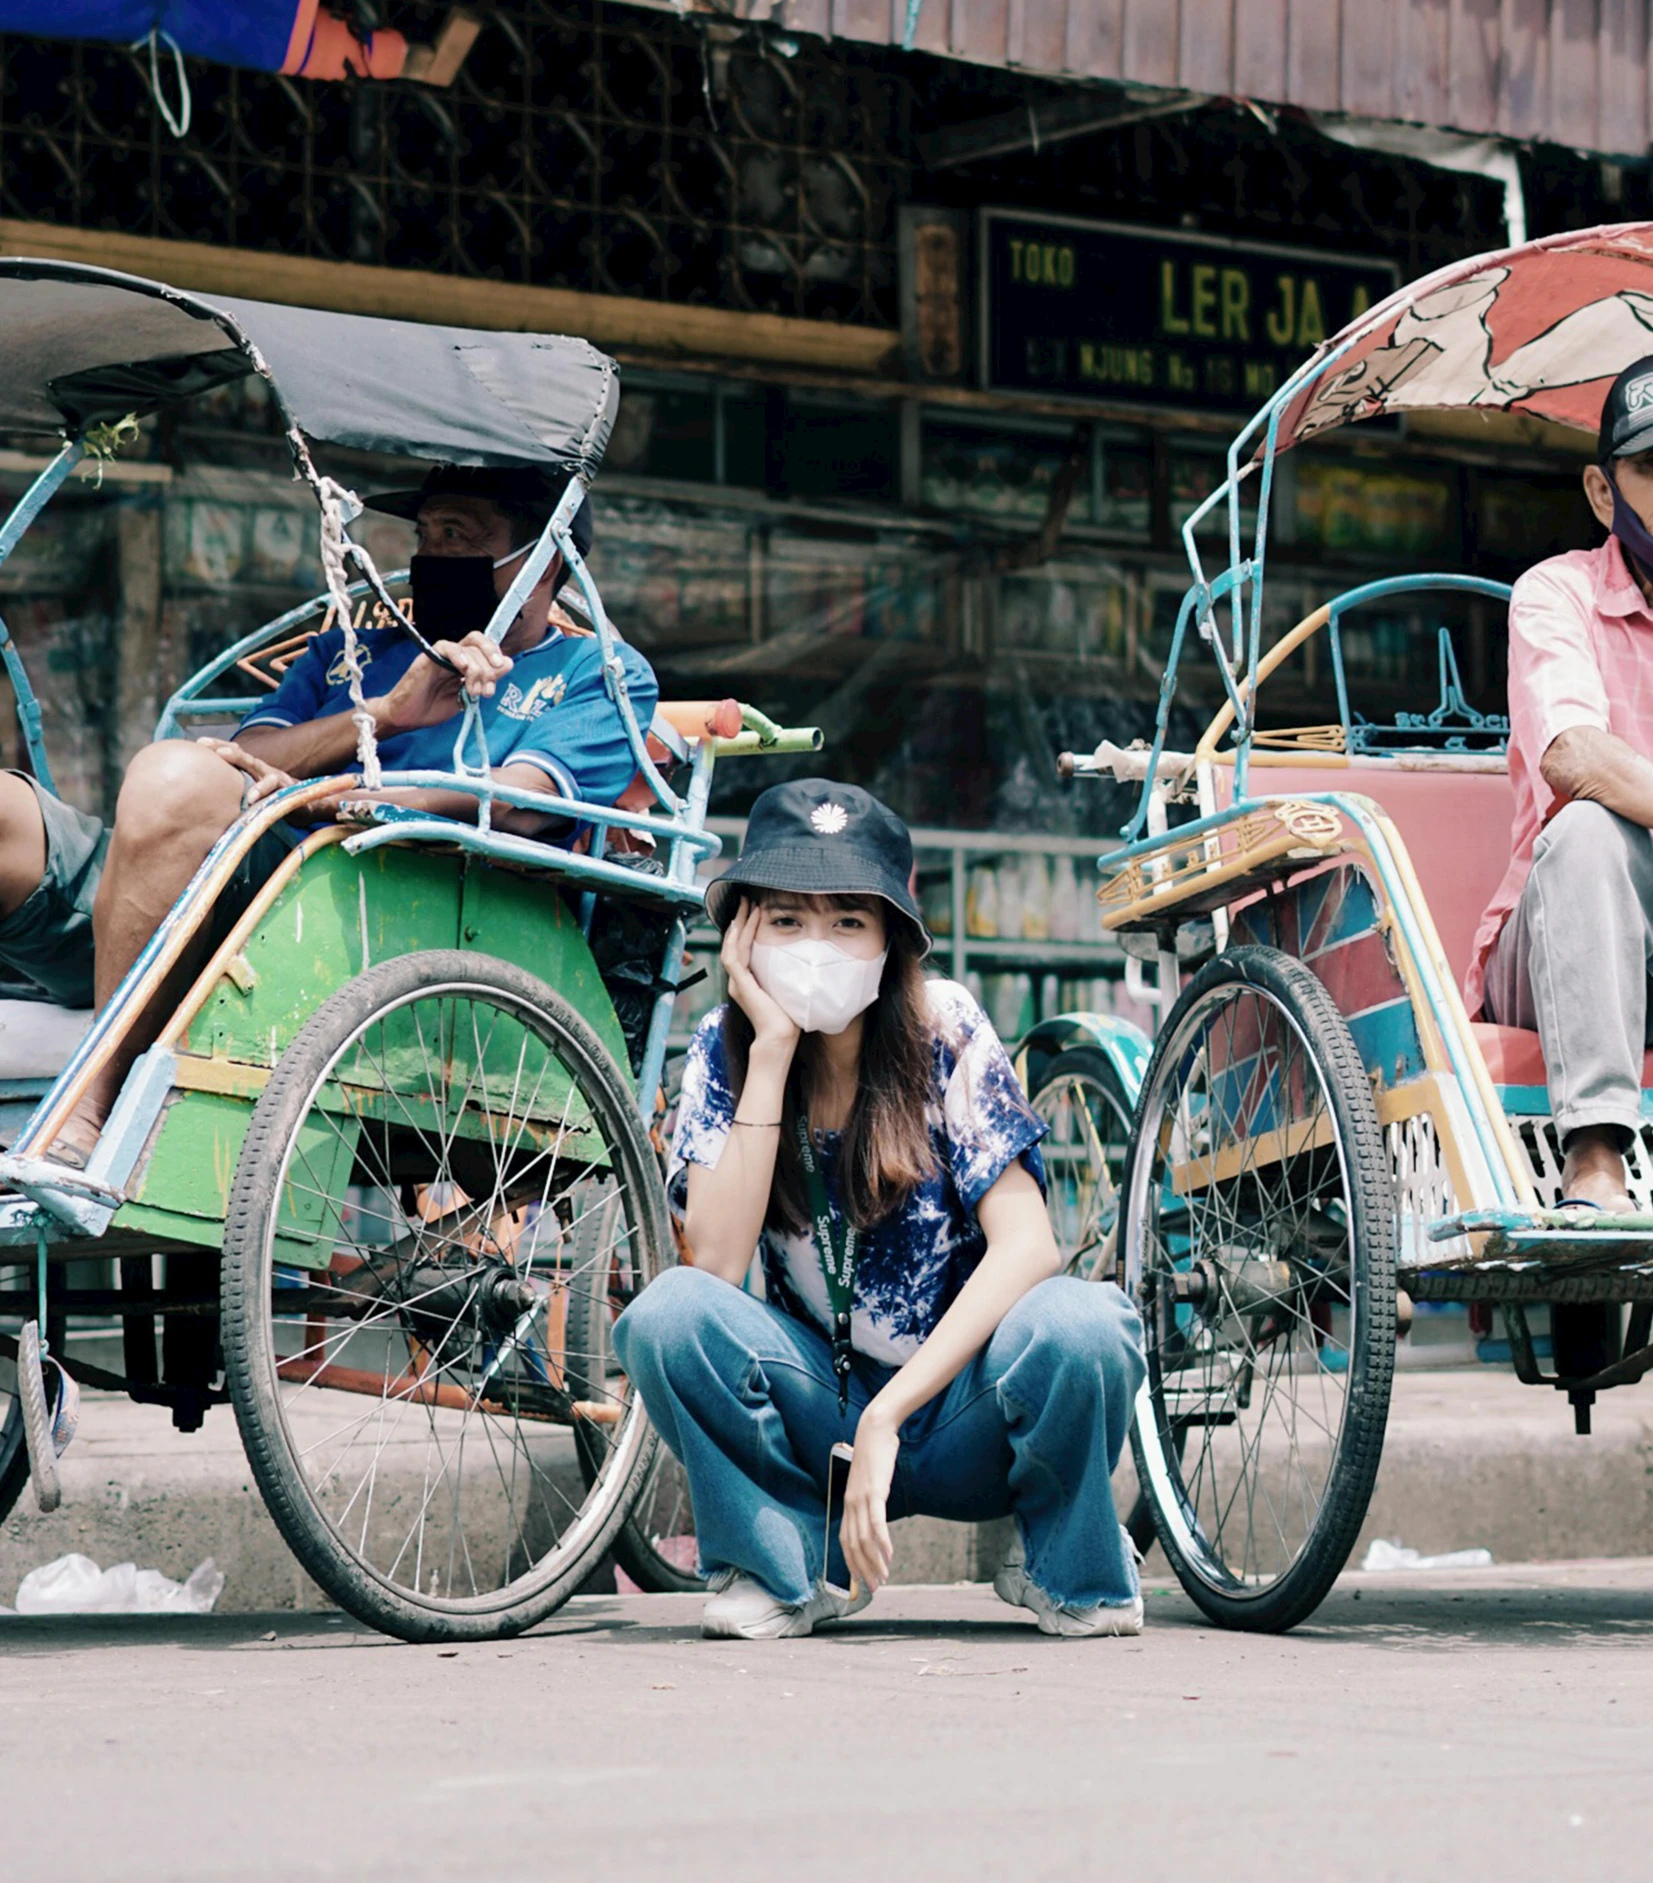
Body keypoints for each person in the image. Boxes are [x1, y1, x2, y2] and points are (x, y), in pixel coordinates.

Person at [613, 778, 1146, 1641]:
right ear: (743, 929)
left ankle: (1065, 1560)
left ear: (891, 938)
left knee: (1086, 1324)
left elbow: (1029, 1247)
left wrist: (890, 1411)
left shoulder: (945, 1026)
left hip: (962, 1406)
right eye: (786, 919)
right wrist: (773, 1053)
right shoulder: (723, 1047)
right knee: (665, 1318)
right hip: (821, 1415)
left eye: (847, 921)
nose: (816, 947)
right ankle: (788, 1561)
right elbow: (709, 1267)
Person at [3, 462, 655, 1166]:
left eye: (459, 535)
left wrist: (339, 798)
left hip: (370, 914)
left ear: (541, 561)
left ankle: (93, 1108)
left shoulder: (601, 672)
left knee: (170, 773)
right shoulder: (357, 651)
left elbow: (529, 797)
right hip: (217, 869)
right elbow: (240, 757)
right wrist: (382, 714)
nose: (431, 554)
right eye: (425, 533)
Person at [1471, 351, 1653, 1214]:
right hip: (1565, 945)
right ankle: (1595, 1157)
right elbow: (1574, 756)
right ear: (1604, 493)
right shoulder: (1555, 594)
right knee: (1593, 828)